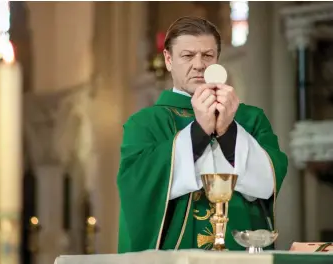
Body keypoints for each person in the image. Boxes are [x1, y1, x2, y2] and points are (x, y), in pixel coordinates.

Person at [116, 16, 288, 252]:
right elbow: (136, 186)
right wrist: (199, 131)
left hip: (240, 254)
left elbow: (268, 182)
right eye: (187, 56)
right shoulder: (145, 123)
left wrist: (228, 131)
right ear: (168, 60)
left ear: (217, 60)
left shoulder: (250, 118)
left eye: (207, 55)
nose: (199, 65)